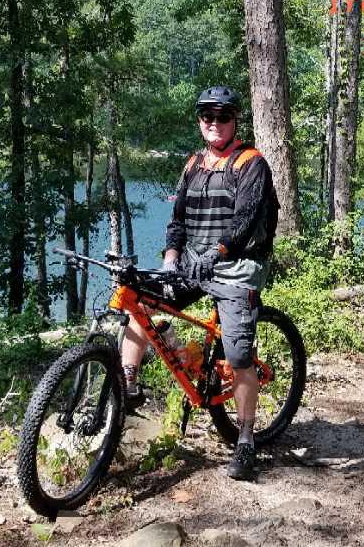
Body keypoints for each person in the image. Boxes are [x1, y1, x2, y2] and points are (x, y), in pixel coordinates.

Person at [120, 85, 278, 481]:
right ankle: (128, 386)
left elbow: (242, 225)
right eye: (207, 116)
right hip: (193, 264)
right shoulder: (193, 165)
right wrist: (172, 258)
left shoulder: (251, 163)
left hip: (236, 266)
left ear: (235, 120)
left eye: (222, 116)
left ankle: (245, 439)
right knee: (141, 300)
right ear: (199, 121)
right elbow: (176, 222)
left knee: (239, 355)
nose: (214, 123)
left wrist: (217, 254)